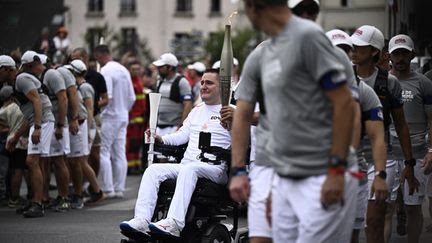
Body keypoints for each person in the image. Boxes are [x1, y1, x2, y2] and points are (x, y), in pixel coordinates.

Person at [238, 1, 357, 242]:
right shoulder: (268, 50)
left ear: (252, 6)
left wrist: (336, 169)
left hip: (321, 173)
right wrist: (276, 186)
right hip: (285, 176)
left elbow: (344, 104)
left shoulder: (308, 36)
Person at [119, 69, 231, 238]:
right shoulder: (197, 110)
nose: (203, 86)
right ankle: (141, 220)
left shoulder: (231, 111)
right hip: (189, 166)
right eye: (202, 83)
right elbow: (181, 136)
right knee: (153, 170)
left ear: (222, 87)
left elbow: (245, 140)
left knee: (190, 169)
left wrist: (234, 124)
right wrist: (160, 139)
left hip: (216, 169)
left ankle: (174, 223)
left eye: (209, 83)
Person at [350, 25, 416, 243]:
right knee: (351, 224)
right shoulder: (343, 78)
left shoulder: (389, 82)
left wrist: (409, 163)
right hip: (350, 160)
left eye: (360, 47)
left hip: (381, 159)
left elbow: (401, 124)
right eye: (353, 46)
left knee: (375, 220)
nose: (354, 50)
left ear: (374, 51)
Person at [388, 34, 432, 243]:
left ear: (412, 55)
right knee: (384, 208)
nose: (400, 58)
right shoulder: (382, 82)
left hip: (417, 153)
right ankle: (399, 210)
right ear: (389, 56)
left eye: (404, 53)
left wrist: (431, 151)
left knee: (414, 207)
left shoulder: (424, 83)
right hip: (388, 154)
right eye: (396, 53)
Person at [7, 51, 55, 218]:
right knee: (37, 162)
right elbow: (30, 114)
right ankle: (38, 199)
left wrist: (38, 127)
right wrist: (16, 135)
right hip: (41, 121)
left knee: (32, 161)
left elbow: (37, 102)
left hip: (44, 121)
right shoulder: (23, 79)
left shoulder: (22, 79)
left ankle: (38, 203)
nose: (41, 66)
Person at [94, 44, 135, 198]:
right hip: (123, 115)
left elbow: (107, 96)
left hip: (110, 116)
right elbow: (131, 97)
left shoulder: (105, 71)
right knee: (119, 153)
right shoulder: (123, 69)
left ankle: (108, 188)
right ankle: (119, 188)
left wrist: (100, 111)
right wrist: (125, 110)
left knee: (104, 151)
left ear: (99, 55)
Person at [70, 59, 105, 204]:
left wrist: (89, 129)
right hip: (88, 127)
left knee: (82, 160)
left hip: (87, 127)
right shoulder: (80, 86)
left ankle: (96, 190)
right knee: (81, 160)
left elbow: (90, 109)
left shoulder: (84, 88)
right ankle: (89, 189)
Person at [39, 54, 71, 212]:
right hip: (49, 123)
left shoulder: (51, 74)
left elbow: (63, 98)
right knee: (46, 161)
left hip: (57, 124)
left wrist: (60, 125)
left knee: (59, 161)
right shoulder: (43, 76)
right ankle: (45, 197)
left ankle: (64, 198)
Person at [71, 48, 108, 179]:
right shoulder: (71, 77)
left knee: (94, 154)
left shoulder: (96, 77)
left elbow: (105, 99)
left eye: (76, 58)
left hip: (94, 117)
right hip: (78, 118)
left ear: (84, 58)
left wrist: (91, 105)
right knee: (79, 155)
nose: (73, 61)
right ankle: (82, 183)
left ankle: (92, 184)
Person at [0, 85, 29, 208]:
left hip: (9, 141)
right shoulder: (19, 107)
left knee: (11, 170)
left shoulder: (2, 110)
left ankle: (12, 197)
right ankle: (15, 198)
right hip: (21, 141)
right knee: (19, 170)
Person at [153, 53, 192, 136]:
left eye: (161, 67)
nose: (158, 69)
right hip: (159, 127)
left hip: (174, 127)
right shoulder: (160, 81)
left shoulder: (182, 82)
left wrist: (181, 126)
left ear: (170, 67)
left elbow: (188, 104)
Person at [126, 60, 147, 173]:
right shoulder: (129, 82)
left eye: (138, 69)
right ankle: (130, 167)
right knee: (131, 143)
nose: (136, 71)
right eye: (134, 69)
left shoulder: (139, 81)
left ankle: (136, 165)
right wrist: (130, 117)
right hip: (133, 119)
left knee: (137, 143)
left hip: (140, 118)